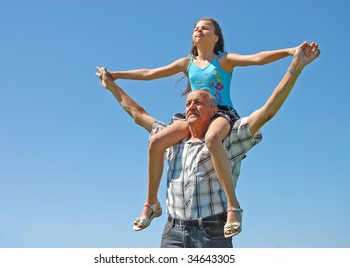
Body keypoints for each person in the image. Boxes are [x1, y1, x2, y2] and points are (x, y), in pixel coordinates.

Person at [96, 41, 320, 248]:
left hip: (212, 232)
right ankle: (151, 204)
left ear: (214, 110)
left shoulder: (227, 140)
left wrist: (295, 64)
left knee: (212, 140)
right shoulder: (173, 141)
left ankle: (234, 207)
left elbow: (268, 110)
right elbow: (137, 113)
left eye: (199, 102)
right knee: (155, 141)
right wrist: (112, 83)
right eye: (188, 103)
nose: (191, 106)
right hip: (172, 232)